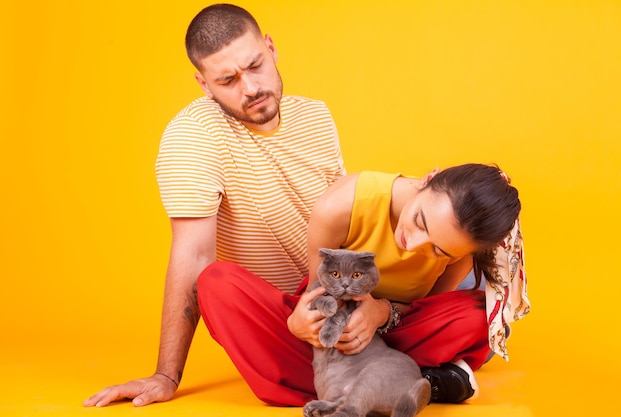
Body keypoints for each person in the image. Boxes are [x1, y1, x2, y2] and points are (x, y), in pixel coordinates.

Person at [83, 3, 345, 408]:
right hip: (283, 321)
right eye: (227, 80)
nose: (250, 89)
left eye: (255, 65)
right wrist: (166, 375)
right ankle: (396, 373)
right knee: (216, 284)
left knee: (462, 254)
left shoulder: (316, 115)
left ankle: (390, 365)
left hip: (340, 294)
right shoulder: (193, 136)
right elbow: (194, 253)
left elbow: (349, 222)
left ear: (270, 48)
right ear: (204, 84)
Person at [289, 164, 530, 403]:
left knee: (485, 319)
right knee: (258, 310)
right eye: (420, 222)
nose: (413, 245)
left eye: (437, 250)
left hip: (398, 329)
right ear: (427, 179)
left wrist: (381, 313)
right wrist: (297, 323)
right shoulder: (339, 206)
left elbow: (425, 313)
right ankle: (413, 381)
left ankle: (376, 385)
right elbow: (318, 290)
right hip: (342, 329)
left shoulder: (461, 251)